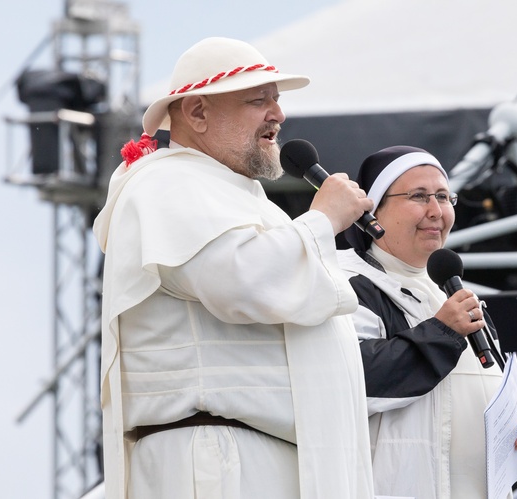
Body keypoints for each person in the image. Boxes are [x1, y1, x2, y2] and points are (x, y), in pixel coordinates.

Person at [92, 37, 375, 499]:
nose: (277, 115)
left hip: (249, 456)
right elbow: (241, 281)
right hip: (217, 460)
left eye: (277, 100)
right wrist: (324, 221)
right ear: (198, 113)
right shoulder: (167, 182)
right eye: (257, 100)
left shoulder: (226, 191)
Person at [337, 145, 517, 499]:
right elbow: (351, 379)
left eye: (444, 197)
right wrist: (442, 332)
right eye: (419, 196)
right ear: (373, 211)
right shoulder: (348, 284)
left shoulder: (456, 294)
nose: (436, 211)